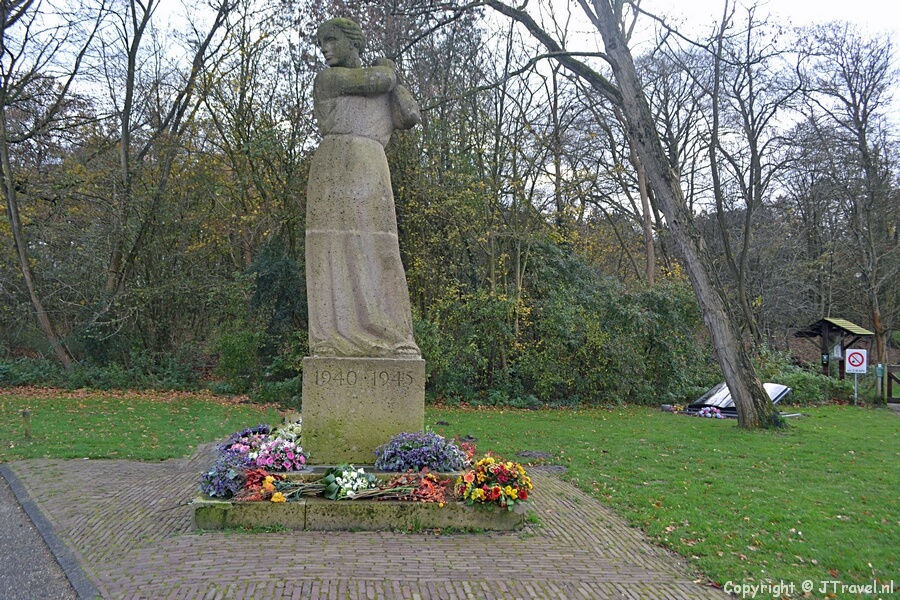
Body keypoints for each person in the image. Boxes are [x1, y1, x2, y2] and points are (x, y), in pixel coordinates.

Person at [306, 18, 421, 358]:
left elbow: (409, 116)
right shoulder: (329, 78)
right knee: (332, 252)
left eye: (331, 40)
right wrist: (389, 71)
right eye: (321, 42)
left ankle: (395, 336)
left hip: (371, 167)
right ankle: (331, 338)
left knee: (381, 249)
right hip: (333, 168)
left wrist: (394, 79)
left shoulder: (381, 81)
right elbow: (379, 79)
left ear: (353, 42)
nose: (325, 48)